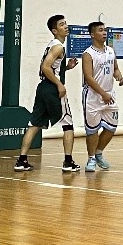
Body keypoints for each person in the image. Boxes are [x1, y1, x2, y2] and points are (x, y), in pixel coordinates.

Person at [14, 15, 80, 172]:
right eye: (62, 24)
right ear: (55, 30)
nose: (66, 26)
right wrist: (59, 84)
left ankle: (22, 160)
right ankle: (68, 162)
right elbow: (45, 67)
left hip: (43, 87)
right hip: (52, 89)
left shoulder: (52, 45)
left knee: (34, 124)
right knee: (68, 125)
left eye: (66, 23)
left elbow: (51, 68)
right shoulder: (58, 47)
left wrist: (66, 67)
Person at [82, 21, 123, 172]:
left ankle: (98, 152)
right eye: (100, 30)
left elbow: (115, 68)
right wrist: (103, 94)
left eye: (105, 30)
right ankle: (91, 158)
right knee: (92, 130)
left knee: (112, 127)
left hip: (109, 95)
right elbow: (88, 77)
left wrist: (119, 75)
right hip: (93, 96)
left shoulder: (111, 51)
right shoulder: (88, 54)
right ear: (92, 34)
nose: (104, 32)